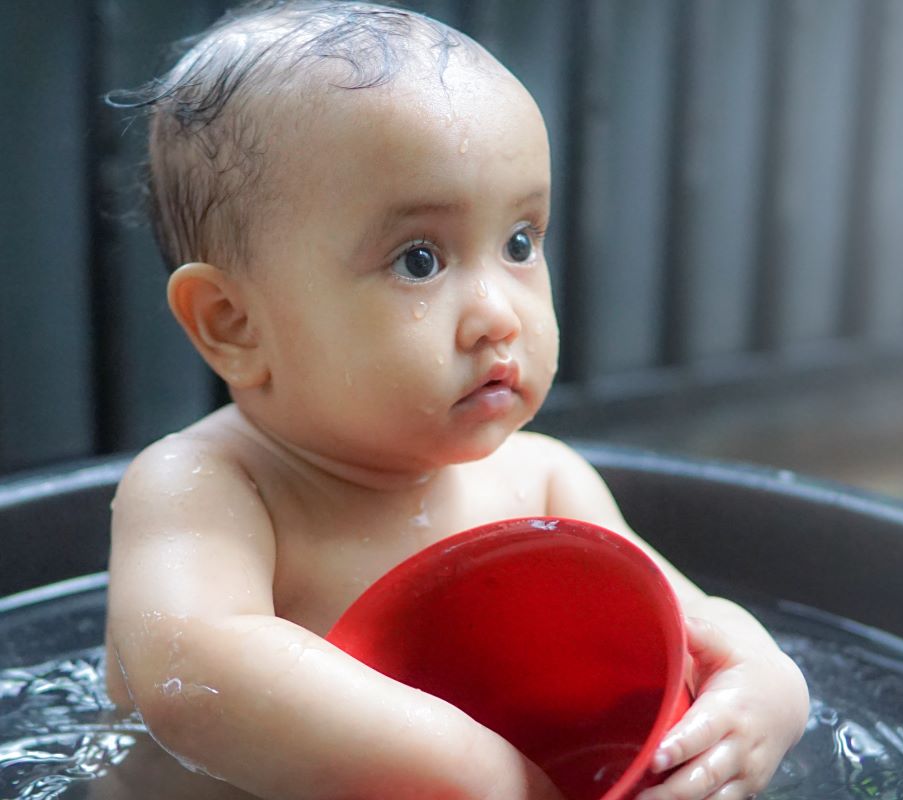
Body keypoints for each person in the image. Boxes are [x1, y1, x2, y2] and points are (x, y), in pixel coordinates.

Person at [102, 2, 809, 798]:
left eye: (519, 243)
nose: (499, 315)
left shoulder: (543, 485)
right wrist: (474, 771)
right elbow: (191, 675)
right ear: (235, 324)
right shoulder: (209, 489)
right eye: (418, 260)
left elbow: (691, 628)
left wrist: (762, 682)